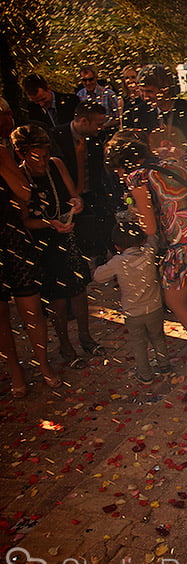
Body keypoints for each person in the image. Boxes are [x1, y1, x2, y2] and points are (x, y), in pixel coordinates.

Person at [105, 136, 187, 380]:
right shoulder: (172, 162)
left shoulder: (138, 177)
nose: (119, 175)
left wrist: (134, 212)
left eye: (117, 170)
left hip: (183, 243)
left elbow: (150, 228)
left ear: (122, 165)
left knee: (175, 300)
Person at [11, 125, 101, 368]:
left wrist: (77, 203)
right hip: (44, 245)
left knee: (79, 289)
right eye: (36, 157)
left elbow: (75, 194)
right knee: (58, 299)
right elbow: (25, 220)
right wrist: (49, 224)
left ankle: (86, 337)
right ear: (21, 154)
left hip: (68, 237)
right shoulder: (18, 177)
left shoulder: (56, 165)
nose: (43, 162)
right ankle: (66, 347)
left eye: (45, 155)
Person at [0, 109, 61, 396]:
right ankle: (16, 371)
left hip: (13, 237)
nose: (8, 119)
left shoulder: (3, 154)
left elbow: (24, 194)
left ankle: (42, 364)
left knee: (32, 309)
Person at [93, 222, 170, 384]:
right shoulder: (148, 252)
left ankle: (145, 374)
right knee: (158, 337)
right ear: (142, 240)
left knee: (138, 343)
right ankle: (165, 366)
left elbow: (98, 277)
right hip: (155, 308)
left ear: (117, 247)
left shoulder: (118, 261)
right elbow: (153, 237)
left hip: (133, 313)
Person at [51, 101, 117, 263]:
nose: (101, 127)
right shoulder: (56, 136)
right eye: (98, 124)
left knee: (103, 231)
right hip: (69, 199)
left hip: (95, 194)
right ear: (83, 121)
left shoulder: (98, 137)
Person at [132, 64, 187, 180]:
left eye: (149, 91)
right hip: (154, 178)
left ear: (166, 89)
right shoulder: (139, 113)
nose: (145, 97)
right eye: (141, 91)